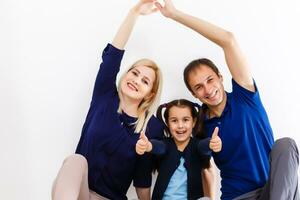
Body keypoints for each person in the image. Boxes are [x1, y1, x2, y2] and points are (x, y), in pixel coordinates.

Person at [154, 1, 299, 200]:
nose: (208, 89)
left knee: (286, 144)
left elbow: (228, 40)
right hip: (238, 196)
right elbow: (201, 167)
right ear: (195, 94)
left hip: (275, 191)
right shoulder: (201, 125)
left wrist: (175, 15)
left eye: (210, 80)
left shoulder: (245, 97)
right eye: (199, 87)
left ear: (221, 77)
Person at [51, 1, 164, 199]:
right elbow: (113, 56)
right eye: (134, 73)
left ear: (150, 94)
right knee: (76, 161)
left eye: (145, 81)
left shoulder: (151, 127)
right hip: (78, 193)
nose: (136, 80)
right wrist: (134, 12)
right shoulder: (105, 96)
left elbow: (142, 177)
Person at [136, 99, 222, 200]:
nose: (180, 126)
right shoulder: (166, 144)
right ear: (168, 123)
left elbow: (204, 146)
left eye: (185, 120)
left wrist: (211, 144)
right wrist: (148, 146)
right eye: (174, 121)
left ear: (193, 122)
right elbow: (159, 147)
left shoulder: (197, 145)